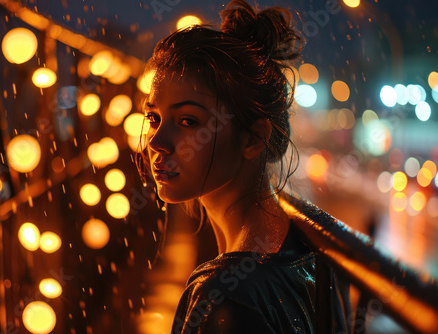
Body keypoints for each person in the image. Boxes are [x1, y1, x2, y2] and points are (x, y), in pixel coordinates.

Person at [136, 0, 349, 332]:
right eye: (154, 117)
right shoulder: (309, 247)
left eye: (188, 121)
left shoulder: (225, 301)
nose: (155, 142)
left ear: (253, 139)